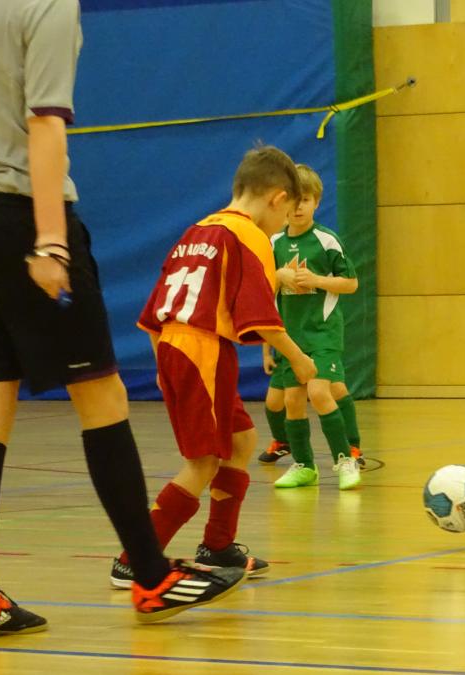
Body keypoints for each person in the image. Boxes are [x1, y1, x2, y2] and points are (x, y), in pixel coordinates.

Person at [0, 0, 245, 639]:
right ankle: (150, 575)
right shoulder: (46, 6)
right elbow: (44, 123)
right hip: (22, 218)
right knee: (100, 393)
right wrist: (50, 241)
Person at [110, 146, 317, 588]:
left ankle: (218, 545)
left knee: (241, 440)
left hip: (177, 345)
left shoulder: (196, 230)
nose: (281, 226)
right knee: (203, 461)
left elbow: (153, 314)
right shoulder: (249, 236)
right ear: (278, 198)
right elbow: (262, 319)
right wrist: (300, 359)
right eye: (285, 217)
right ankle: (136, 560)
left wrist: (165, 367)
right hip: (202, 350)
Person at [263, 164, 362, 490]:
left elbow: (351, 283)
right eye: (293, 200)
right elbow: (263, 291)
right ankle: (304, 466)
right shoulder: (274, 242)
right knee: (292, 400)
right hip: (291, 336)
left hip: (322, 332)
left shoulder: (326, 240)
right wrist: (278, 277)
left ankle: (345, 459)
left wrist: (317, 280)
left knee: (319, 391)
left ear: (316, 202)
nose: (298, 207)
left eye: (305, 200)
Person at [258, 350, 364, 467]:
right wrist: (266, 354)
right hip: (288, 351)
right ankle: (283, 442)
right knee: (273, 403)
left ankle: (352, 447)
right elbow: (270, 336)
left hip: (319, 348)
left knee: (334, 390)